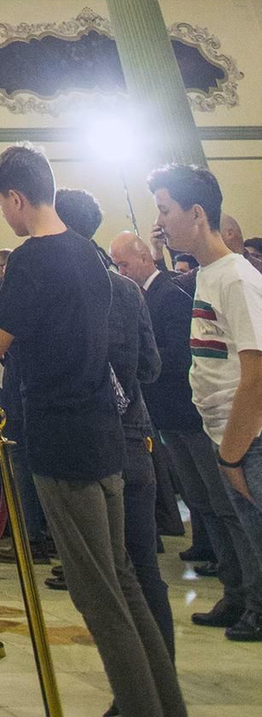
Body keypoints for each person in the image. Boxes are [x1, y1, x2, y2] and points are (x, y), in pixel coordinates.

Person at [0, 143, 222, 717]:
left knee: (105, 605)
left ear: (16, 198)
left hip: (60, 444)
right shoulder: (86, 255)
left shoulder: (33, 260)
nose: (3, 214)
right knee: (128, 594)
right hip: (105, 439)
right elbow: (34, 317)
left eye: (1, 203)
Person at [111, 224, 262, 639]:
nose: (121, 270)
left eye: (125, 262)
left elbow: (185, 353)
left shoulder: (174, 293)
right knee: (204, 504)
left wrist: (145, 361)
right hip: (177, 415)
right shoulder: (171, 288)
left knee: (229, 511)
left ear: (144, 258)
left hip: (201, 417)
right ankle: (234, 592)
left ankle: (254, 600)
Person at [51, 191, 173, 675]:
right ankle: (162, 686)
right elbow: (151, 365)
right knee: (142, 568)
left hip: (86, 446)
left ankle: (135, 692)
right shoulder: (125, 289)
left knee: (105, 575)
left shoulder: (58, 293)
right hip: (131, 436)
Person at [150, 162, 262, 637]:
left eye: (165, 209)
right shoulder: (208, 274)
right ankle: (245, 600)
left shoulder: (237, 277)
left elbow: (256, 371)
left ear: (197, 213)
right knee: (239, 532)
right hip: (225, 436)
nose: (160, 222)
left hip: (249, 442)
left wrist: (233, 453)